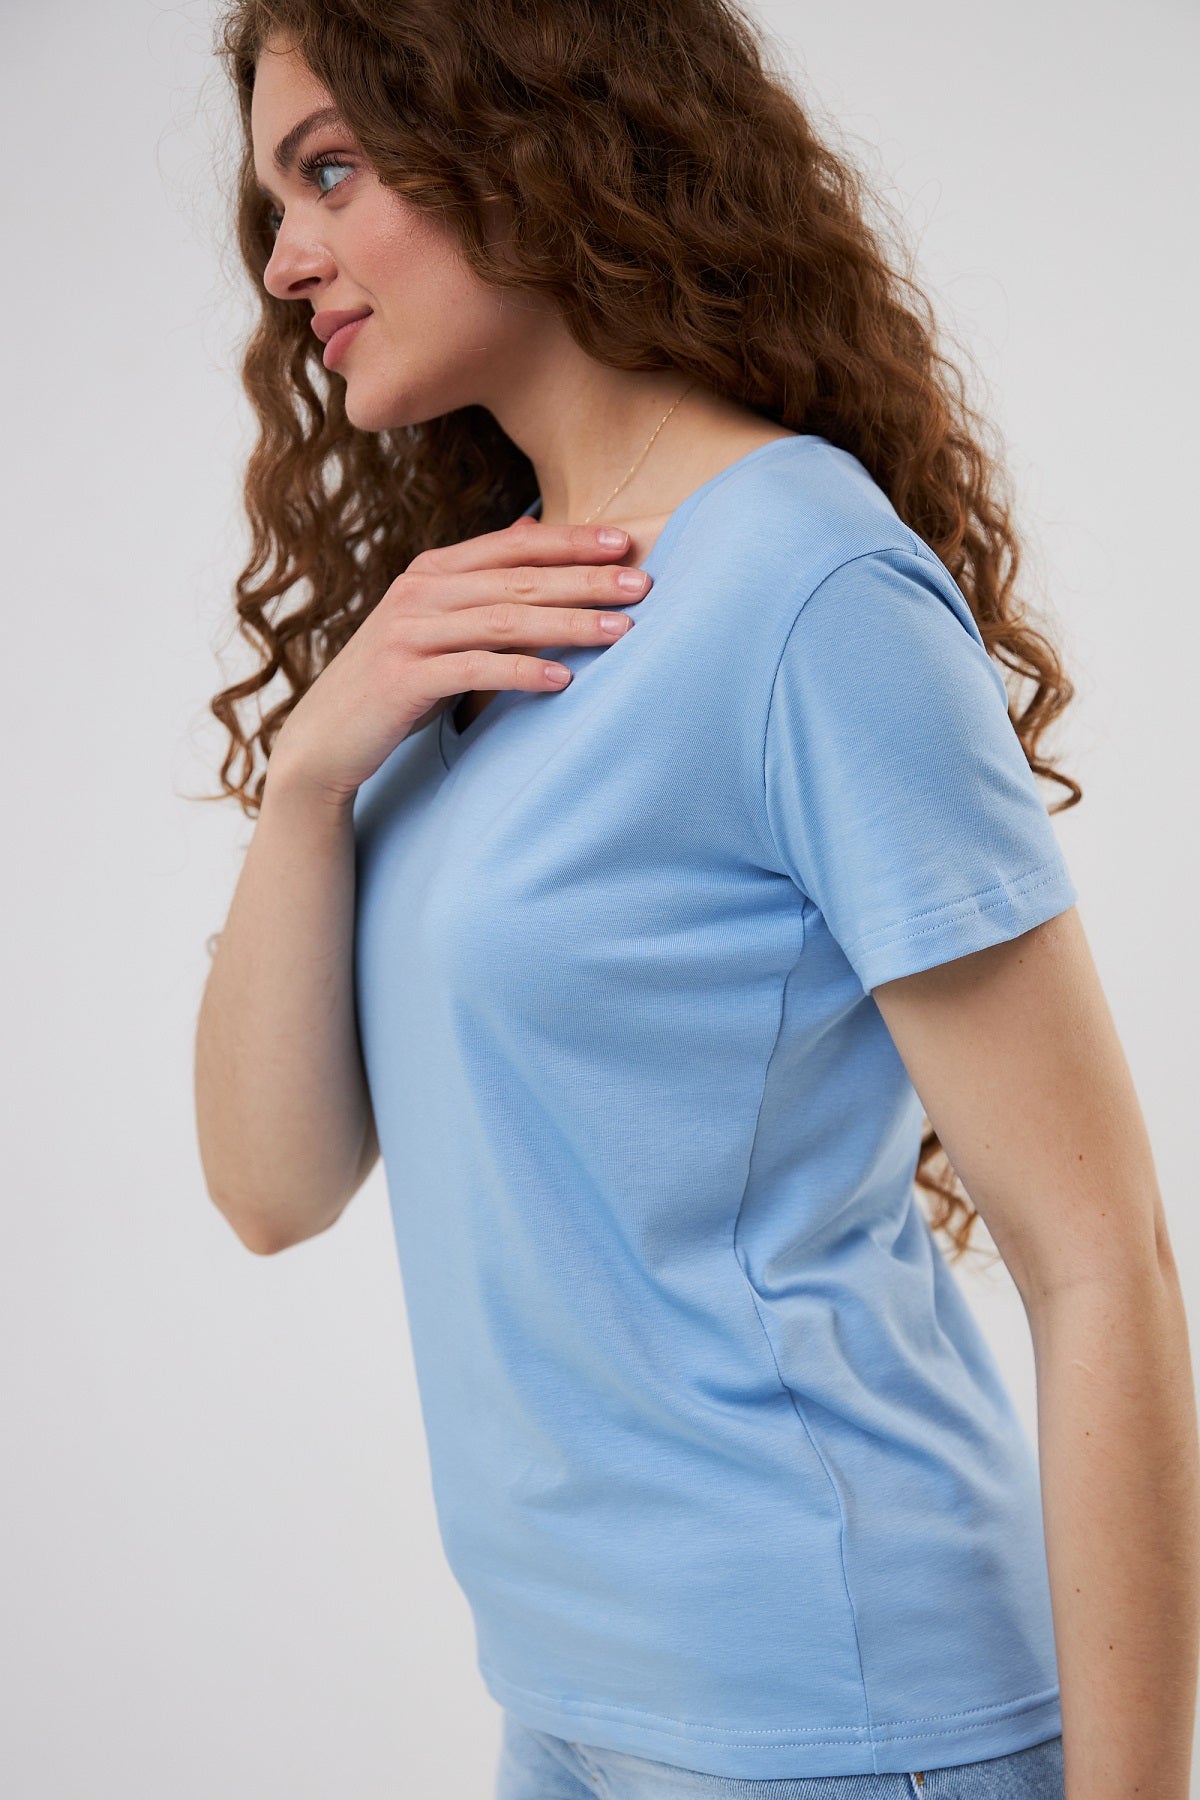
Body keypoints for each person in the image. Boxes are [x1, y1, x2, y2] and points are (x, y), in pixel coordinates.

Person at [191, 2, 1199, 1796]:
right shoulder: (473, 623)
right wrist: (313, 773)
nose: (287, 260)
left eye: (331, 171)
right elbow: (274, 1188)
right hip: (572, 1704)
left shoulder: (805, 585)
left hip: (832, 1713)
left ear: (527, 130)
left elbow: (1097, 1252)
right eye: (276, 200)